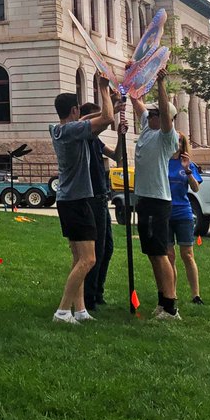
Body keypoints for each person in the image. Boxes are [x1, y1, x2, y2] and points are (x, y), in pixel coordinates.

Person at [50, 74, 114, 324]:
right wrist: (103, 90)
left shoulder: (58, 129)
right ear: (75, 110)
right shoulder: (74, 130)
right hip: (77, 200)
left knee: (78, 258)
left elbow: (89, 119)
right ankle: (62, 311)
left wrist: (108, 107)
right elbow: (106, 119)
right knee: (89, 258)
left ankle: (81, 310)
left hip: (68, 200)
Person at [129, 68, 181, 320]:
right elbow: (136, 102)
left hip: (158, 201)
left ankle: (171, 307)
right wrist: (131, 77)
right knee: (152, 254)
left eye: (156, 112)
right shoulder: (148, 128)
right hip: (145, 200)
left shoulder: (166, 137)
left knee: (160, 254)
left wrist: (161, 83)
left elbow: (164, 109)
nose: (150, 113)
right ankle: (163, 301)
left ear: (165, 119)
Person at [78, 99, 116, 313]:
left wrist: (120, 133)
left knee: (107, 248)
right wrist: (107, 113)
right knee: (96, 250)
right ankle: (89, 296)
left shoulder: (96, 141)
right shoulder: (82, 135)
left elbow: (116, 155)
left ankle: (98, 291)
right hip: (91, 198)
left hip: (102, 197)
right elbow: (88, 120)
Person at [167, 132, 204, 305]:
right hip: (165, 213)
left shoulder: (188, 164)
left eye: (180, 141)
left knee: (187, 255)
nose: (177, 144)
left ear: (183, 144)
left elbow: (195, 188)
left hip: (183, 213)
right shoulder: (163, 161)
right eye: (175, 141)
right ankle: (171, 293)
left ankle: (196, 295)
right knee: (169, 255)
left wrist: (188, 170)